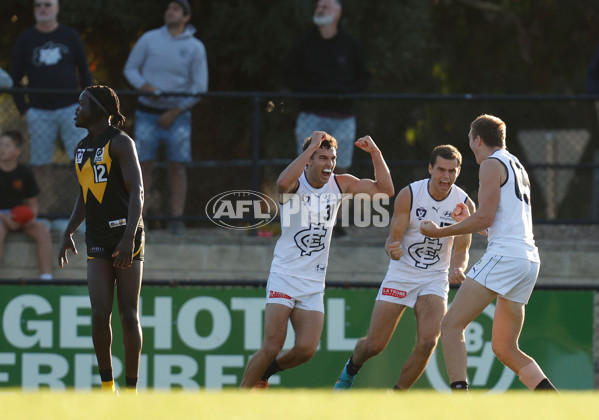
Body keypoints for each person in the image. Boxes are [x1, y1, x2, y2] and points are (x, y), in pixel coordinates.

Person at [239, 130, 394, 389]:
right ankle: (239, 400)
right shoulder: (296, 183)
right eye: (322, 157)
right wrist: (310, 148)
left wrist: (375, 153)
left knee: (306, 350)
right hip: (285, 276)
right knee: (272, 345)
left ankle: (265, 374)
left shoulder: (340, 183)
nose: (328, 164)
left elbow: (385, 190)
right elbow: (281, 184)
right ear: (309, 159)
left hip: (313, 282)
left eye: (332, 158)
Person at [420, 114, 557, 392]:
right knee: (505, 348)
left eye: (470, 139)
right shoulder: (516, 164)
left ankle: (461, 404)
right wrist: (465, 220)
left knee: (450, 326)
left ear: (477, 139)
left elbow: (485, 219)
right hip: (528, 259)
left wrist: (439, 231)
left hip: (506, 256)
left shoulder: (490, 164)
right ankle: (555, 403)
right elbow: (496, 223)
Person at [334, 145, 475, 390]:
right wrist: (393, 248)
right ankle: (350, 369)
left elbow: (462, 249)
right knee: (375, 345)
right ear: (430, 168)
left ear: (458, 172)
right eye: (440, 169)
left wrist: (457, 269)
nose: (445, 177)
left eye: (452, 171)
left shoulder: (463, 203)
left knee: (429, 341)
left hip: (434, 277)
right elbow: (393, 239)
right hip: (402, 273)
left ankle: (396, 396)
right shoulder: (410, 194)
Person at [58, 85, 144, 393]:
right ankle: (108, 388)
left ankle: (132, 391)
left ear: (98, 109)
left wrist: (128, 239)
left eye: (81, 104)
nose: (76, 109)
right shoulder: (81, 147)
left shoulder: (121, 143)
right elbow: (85, 197)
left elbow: (138, 191)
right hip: (96, 236)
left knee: (128, 314)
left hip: (125, 234)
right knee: (98, 313)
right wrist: (68, 231)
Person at [123, 0, 208, 234]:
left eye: (176, 9)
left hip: (178, 117)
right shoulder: (149, 39)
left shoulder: (195, 47)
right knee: (143, 167)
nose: (170, 12)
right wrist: (145, 86)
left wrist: (175, 111)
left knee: (178, 167)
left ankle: (176, 219)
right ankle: (140, 219)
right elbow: (130, 69)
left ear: (186, 16)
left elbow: (200, 86)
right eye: (168, 8)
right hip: (146, 114)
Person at [9, 0, 93, 214]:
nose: (43, 9)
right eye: (38, 5)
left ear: (57, 8)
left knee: (83, 162)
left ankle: (86, 215)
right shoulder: (26, 39)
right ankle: (43, 214)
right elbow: (15, 79)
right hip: (39, 112)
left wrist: (87, 106)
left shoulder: (70, 35)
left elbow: (85, 72)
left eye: (48, 4)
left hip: (72, 110)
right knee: (40, 167)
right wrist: (24, 110)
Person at [284, 0, 371, 173]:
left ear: (337, 13)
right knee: (306, 166)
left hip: (343, 118)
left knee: (340, 169)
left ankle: (336, 201)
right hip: (310, 115)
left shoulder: (351, 45)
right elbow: (289, 75)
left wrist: (345, 93)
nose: (320, 9)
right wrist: (311, 92)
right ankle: (305, 200)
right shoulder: (304, 44)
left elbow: (364, 78)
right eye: (318, 7)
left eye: (325, 7)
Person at [0, 130, 53, 280]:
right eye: (1, 144)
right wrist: (5, 218)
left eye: (7, 145)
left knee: (43, 230)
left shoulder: (25, 172)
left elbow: (33, 204)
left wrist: (27, 218)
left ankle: (46, 279)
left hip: (18, 215)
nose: (2, 148)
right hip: (1, 217)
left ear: (17, 151)